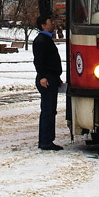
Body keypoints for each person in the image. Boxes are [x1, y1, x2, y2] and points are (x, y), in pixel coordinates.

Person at [32, 14, 63, 151]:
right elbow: (39, 61)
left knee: (50, 110)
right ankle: (45, 141)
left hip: (51, 78)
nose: (53, 24)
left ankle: (48, 140)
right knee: (48, 111)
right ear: (43, 25)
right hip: (46, 80)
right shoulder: (41, 40)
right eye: (50, 22)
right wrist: (43, 77)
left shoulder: (46, 39)